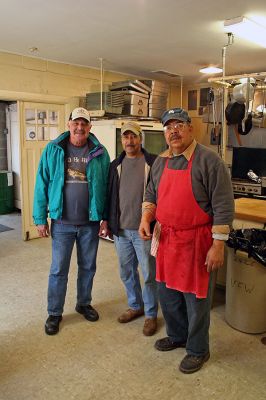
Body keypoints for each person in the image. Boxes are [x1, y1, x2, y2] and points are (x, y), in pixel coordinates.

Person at [139, 108, 234, 372]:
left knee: (197, 301)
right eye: (168, 127)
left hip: (197, 242)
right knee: (168, 295)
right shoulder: (160, 161)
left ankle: (197, 349)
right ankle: (178, 335)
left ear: (190, 129)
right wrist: (146, 217)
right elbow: (151, 195)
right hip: (167, 239)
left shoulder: (209, 161)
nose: (174, 131)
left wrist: (218, 245)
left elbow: (224, 206)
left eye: (179, 125)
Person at [33, 107, 110, 335]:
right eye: (75, 123)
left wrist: (105, 217)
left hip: (90, 223)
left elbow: (105, 187)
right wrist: (40, 218)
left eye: (83, 124)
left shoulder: (100, 152)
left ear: (89, 127)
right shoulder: (54, 149)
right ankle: (54, 312)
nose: (79, 127)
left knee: (88, 267)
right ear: (68, 125)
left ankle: (83, 303)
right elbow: (42, 184)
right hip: (62, 223)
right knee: (58, 269)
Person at [106, 121, 158, 336]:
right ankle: (136, 306)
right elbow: (110, 196)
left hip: (143, 231)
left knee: (148, 274)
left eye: (133, 136)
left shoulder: (153, 163)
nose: (130, 141)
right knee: (126, 272)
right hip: (121, 231)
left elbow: (159, 195)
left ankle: (151, 314)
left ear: (140, 138)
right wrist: (107, 221)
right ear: (122, 140)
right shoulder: (114, 165)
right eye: (126, 137)